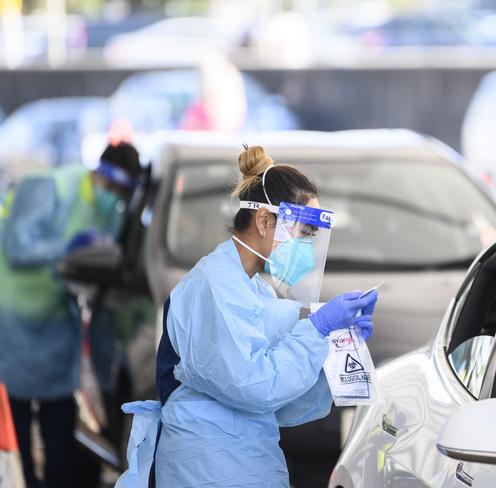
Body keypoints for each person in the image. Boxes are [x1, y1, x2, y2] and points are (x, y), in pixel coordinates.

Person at [116, 145, 378, 488]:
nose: (306, 250)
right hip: (207, 466)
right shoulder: (213, 285)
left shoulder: (255, 290)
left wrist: (335, 354)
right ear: (266, 220)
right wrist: (317, 329)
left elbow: (280, 403)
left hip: (242, 461)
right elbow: (254, 385)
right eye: (303, 234)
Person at [0, 141, 142, 488]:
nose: (115, 197)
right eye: (113, 188)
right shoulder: (50, 186)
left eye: (122, 193)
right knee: (16, 437)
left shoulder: (108, 211)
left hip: (57, 329)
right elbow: (18, 246)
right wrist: (68, 249)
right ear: (100, 175)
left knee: (60, 435)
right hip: (14, 324)